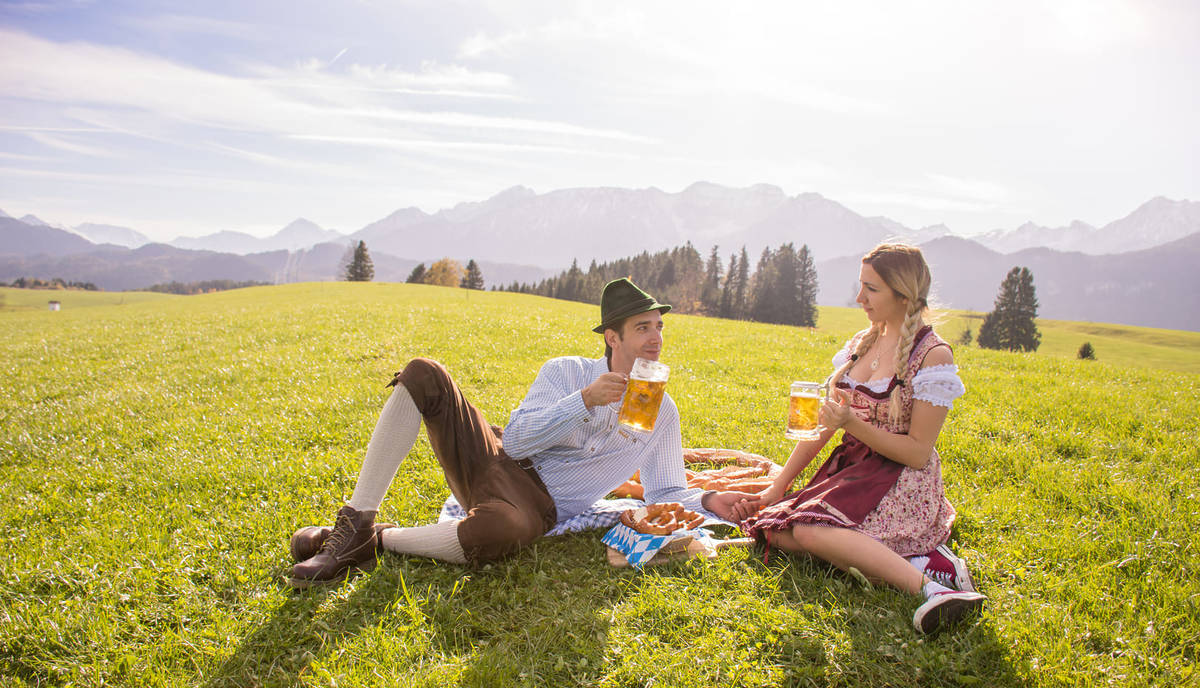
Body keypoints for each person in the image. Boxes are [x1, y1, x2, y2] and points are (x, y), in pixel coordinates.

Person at [289, 277, 755, 587]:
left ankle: (373, 539)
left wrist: (711, 499)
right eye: (642, 328)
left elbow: (665, 491)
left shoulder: (662, 412)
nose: (655, 338)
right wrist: (583, 401)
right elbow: (515, 441)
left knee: (500, 532)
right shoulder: (566, 372)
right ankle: (356, 521)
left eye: (658, 327)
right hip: (495, 458)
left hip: (536, 506)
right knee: (424, 372)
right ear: (612, 338)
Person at [730, 243, 986, 635]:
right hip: (852, 471)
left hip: (899, 478)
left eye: (872, 289)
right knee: (773, 529)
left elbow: (918, 453)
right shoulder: (860, 345)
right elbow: (824, 428)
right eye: (861, 285)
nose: (859, 298)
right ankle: (910, 559)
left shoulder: (933, 356)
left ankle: (934, 588)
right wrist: (778, 487)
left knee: (810, 531)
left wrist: (853, 423)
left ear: (903, 296)